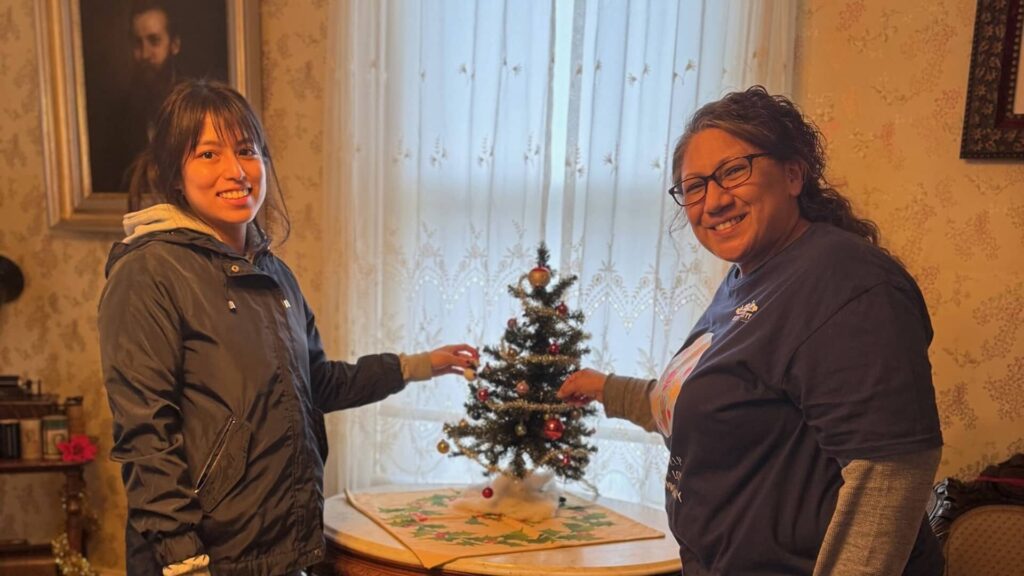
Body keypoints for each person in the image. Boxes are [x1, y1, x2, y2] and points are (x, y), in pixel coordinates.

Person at [98, 79, 479, 575]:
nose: (236, 171)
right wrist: (183, 559)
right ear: (175, 174)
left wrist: (418, 366)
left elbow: (317, 383)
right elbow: (146, 435)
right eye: (209, 154)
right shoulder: (148, 272)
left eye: (246, 150)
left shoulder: (276, 275)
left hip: (282, 547)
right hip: (204, 559)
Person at [558, 86, 944, 576]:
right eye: (694, 187)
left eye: (734, 171)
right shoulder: (748, 277)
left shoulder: (846, 281)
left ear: (793, 174)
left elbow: (889, 475)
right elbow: (715, 406)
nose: (714, 201)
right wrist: (606, 388)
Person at [91, 0, 182, 193]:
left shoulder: (196, 105)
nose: (145, 54)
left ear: (174, 45)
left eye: (154, 41)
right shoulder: (118, 115)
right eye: (137, 43)